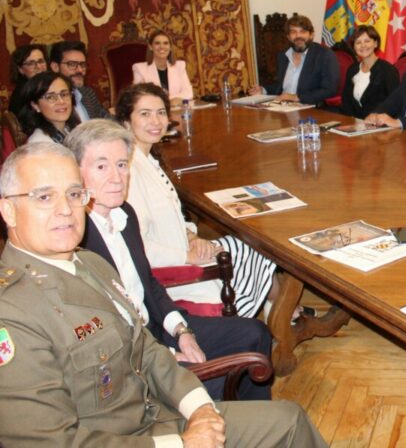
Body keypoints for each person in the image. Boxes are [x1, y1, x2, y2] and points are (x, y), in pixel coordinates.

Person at [0, 142, 327, 447]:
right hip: (131, 438)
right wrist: (179, 443)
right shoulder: (12, 311)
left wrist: (200, 408)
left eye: (74, 194)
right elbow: (48, 441)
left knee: (289, 420)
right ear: (8, 210)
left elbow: (144, 347)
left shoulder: (90, 263)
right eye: (44, 197)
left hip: (158, 412)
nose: (65, 210)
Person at [68, 119, 273, 401]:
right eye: (101, 166)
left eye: (122, 165)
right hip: (129, 353)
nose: (116, 178)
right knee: (216, 384)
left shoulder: (124, 214)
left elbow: (148, 283)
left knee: (255, 334)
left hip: (156, 326)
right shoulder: (75, 237)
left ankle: (256, 427)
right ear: (75, 172)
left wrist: (182, 331)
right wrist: (165, 356)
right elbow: (98, 331)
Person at [116, 83, 277, 318]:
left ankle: (283, 314)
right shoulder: (128, 171)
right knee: (259, 248)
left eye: (161, 113)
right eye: (145, 114)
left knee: (257, 245)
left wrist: (191, 236)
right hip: (174, 272)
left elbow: (171, 219)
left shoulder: (146, 158)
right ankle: (273, 319)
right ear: (126, 122)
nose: (156, 121)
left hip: (184, 247)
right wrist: (186, 255)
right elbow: (138, 247)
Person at [249, 14, 339, 106]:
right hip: (281, 107)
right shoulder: (283, 56)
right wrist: (263, 90)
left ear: (311, 35)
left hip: (310, 108)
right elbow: (281, 85)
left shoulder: (324, 55)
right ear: (288, 36)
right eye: (293, 32)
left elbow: (330, 89)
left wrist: (296, 97)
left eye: (303, 31)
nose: (298, 36)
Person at [340, 25, 400, 119]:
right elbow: (346, 102)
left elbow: (395, 103)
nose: (363, 45)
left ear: (375, 43)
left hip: (379, 126)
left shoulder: (388, 71)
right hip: (354, 125)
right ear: (354, 47)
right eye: (358, 42)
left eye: (367, 41)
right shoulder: (352, 69)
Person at [49, 40, 110, 121]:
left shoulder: (87, 93)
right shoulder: (49, 101)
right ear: (55, 67)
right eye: (72, 64)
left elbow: (106, 119)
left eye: (82, 65)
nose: (80, 70)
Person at [132, 30, 195, 103]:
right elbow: (139, 96)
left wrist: (168, 100)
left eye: (165, 43)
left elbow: (189, 93)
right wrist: (172, 100)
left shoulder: (179, 66)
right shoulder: (139, 68)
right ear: (150, 47)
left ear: (170, 47)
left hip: (177, 111)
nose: (162, 47)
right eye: (157, 43)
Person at [17, 71, 80, 144]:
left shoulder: (69, 131)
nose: (61, 101)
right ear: (35, 105)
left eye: (64, 94)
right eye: (50, 97)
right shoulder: (40, 143)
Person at [8, 43, 47, 116]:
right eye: (31, 63)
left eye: (41, 61)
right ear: (20, 69)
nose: (38, 66)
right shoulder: (25, 94)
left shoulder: (43, 86)